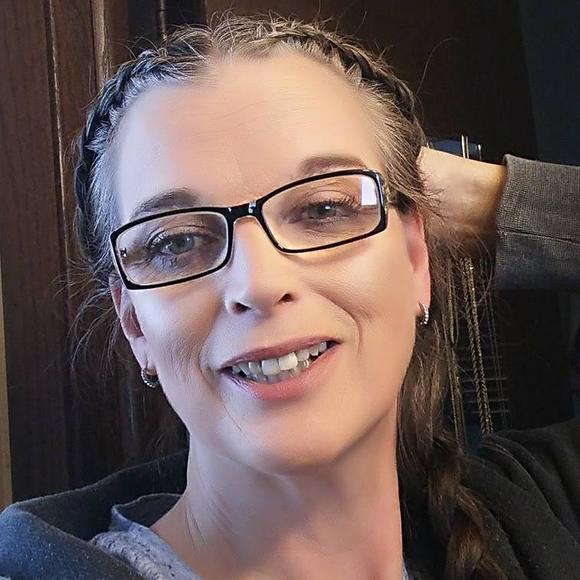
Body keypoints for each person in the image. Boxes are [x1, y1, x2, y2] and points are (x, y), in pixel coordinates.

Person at [0, 12, 579, 580]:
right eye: (177, 242)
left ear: (414, 260)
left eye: (324, 208)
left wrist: (494, 200)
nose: (260, 283)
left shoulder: (544, 513)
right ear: (135, 324)